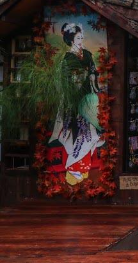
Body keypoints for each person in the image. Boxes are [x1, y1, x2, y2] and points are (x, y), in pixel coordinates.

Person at [48, 23, 104, 186]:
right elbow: (63, 79)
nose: (81, 40)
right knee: (74, 130)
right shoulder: (66, 58)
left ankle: (84, 165)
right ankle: (73, 165)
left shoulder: (86, 53)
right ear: (71, 40)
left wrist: (92, 76)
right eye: (78, 38)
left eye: (81, 37)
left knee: (90, 130)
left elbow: (93, 70)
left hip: (87, 93)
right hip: (73, 97)